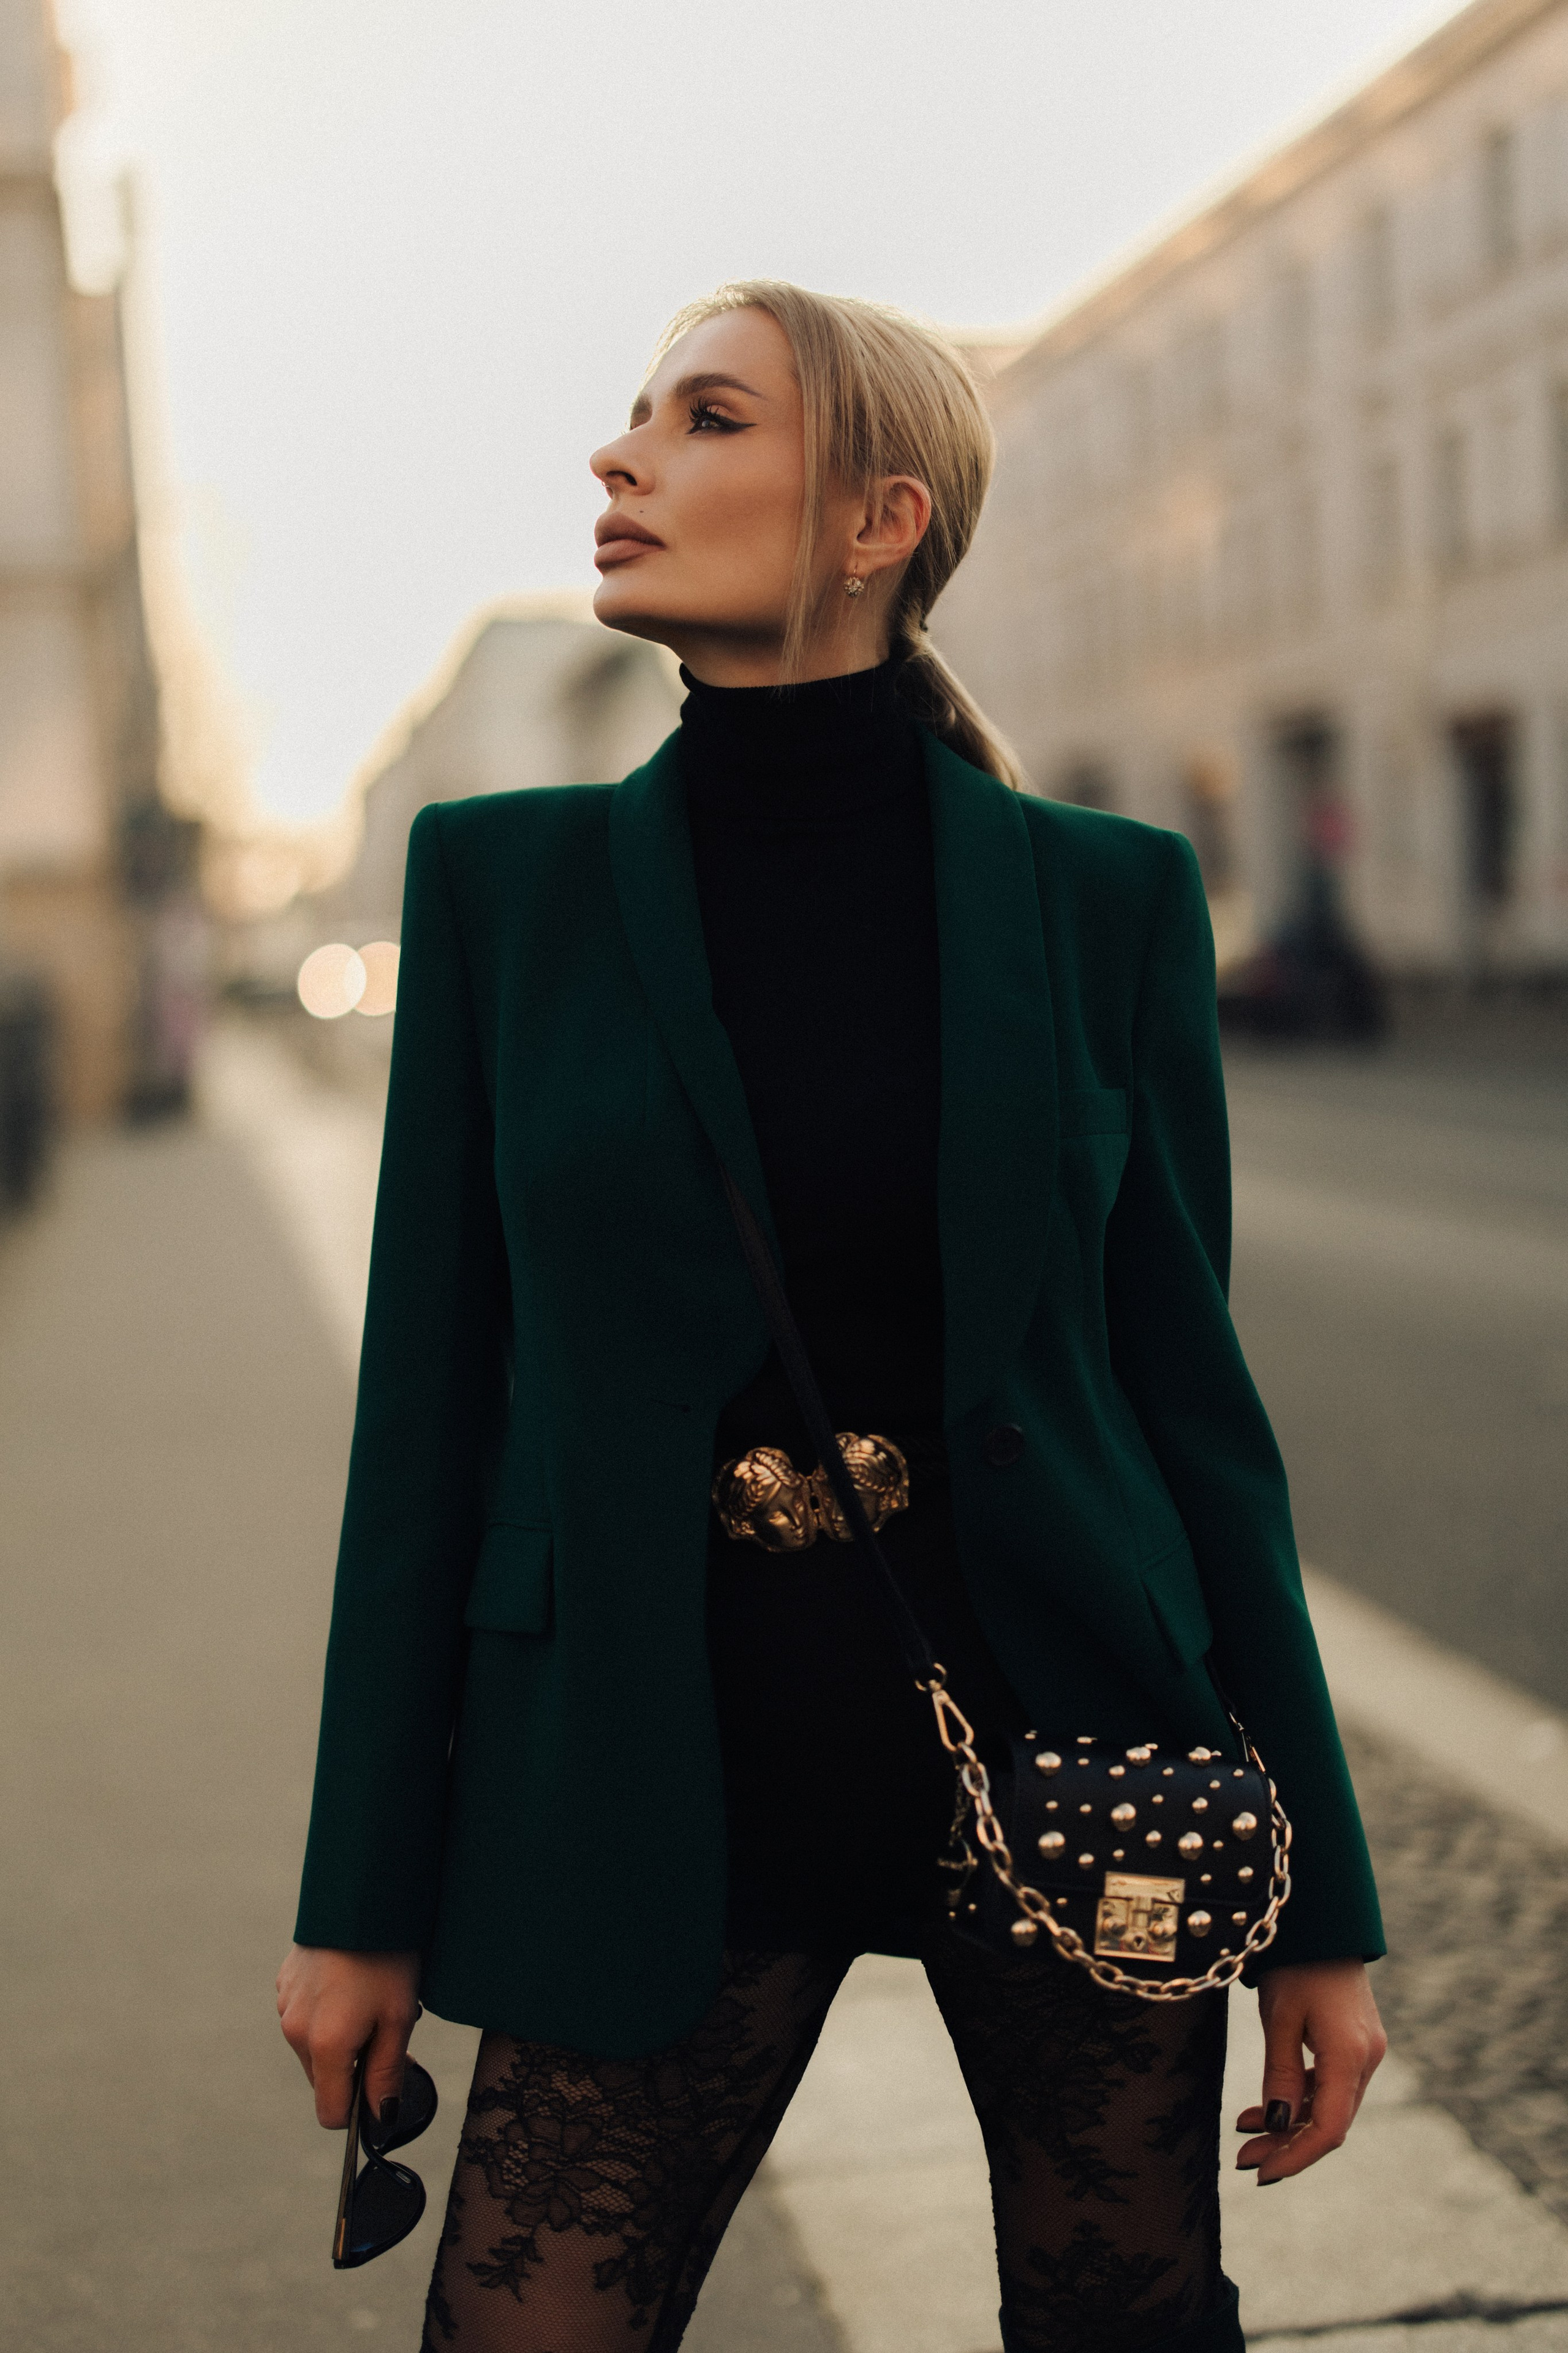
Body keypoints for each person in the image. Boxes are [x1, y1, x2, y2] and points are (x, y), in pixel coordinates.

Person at [277, 281, 1387, 2352]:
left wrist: (1316, 1912)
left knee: (1124, 2320)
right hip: (652, 1750)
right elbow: (422, 1431)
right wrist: (364, 1898)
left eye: (704, 421)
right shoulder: (506, 891)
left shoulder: (1104, 899)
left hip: (1072, 1741)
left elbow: (1192, 1419)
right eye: (632, 419)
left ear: (879, 520)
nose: (621, 460)